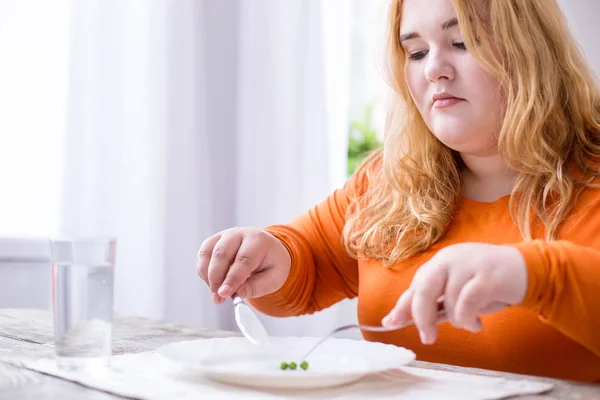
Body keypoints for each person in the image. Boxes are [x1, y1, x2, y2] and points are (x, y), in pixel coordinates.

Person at [196, 0, 600, 382]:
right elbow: (306, 268)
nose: (434, 70)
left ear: (532, 49)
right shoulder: (390, 180)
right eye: (417, 52)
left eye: (462, 43)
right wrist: (269, 256)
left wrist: (533, 275)